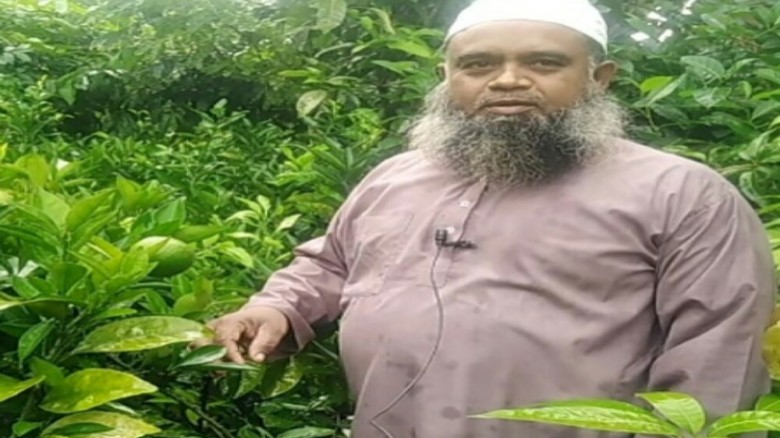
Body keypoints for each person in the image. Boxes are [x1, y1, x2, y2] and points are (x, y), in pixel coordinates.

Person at [202, 0, 776, 436]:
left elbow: (719, 358)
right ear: (448, 77)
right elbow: (333, 264)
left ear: (599, 78)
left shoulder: (682, 193)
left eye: (544, 63)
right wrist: (276, 308)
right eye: (478, 64)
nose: (507, 80)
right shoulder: (395, 176)